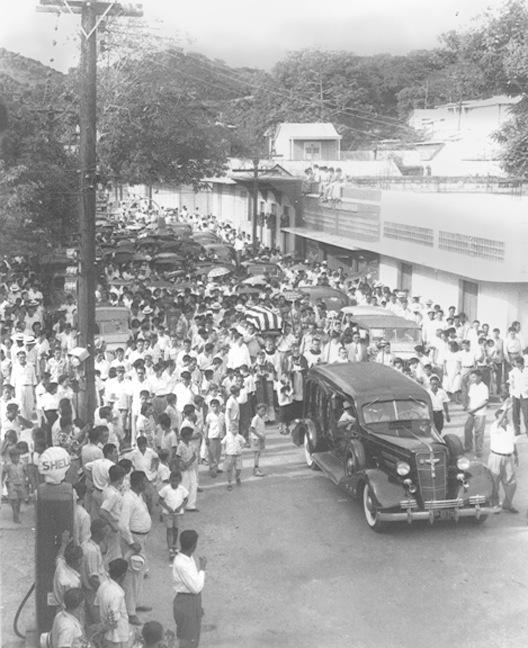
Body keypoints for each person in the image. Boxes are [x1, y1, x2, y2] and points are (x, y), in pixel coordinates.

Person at [119, 470, 152, 625]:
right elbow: (122, 525)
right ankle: (130, 612)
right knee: (131, 575)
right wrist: (132, 542)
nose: (147, 484)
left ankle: (138, 603)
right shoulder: (128, 499)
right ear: (139, 482)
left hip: (142, 538)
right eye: (145, 481)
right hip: (133, 540)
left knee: (139, 571)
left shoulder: (138, 496)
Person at [172, 529, 206, 648]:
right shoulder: (181, 564)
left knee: (194, 635)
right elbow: (196, 587)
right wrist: (202, 569)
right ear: (194, 545)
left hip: (192, 601)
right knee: (188, 639)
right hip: (186, 602)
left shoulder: (188, 557)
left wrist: (197, 606)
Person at [488, 405, 518, 513]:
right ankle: (495, 504)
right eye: (503, 417)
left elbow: (513, 443)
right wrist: (506, 408)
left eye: (506, 417)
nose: (506, 418)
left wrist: (516, 455)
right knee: (494, 482)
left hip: (508, 457)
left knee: (511, 482)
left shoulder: (510, 428)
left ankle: (507, 504)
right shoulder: (495, 427)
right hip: (496, 457)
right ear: (498, 418)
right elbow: (500, 420)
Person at [95, 557, 130, 648]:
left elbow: (96, 605)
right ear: (123, 575)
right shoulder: (117, 594)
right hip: (117, 636)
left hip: (107, 634)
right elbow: (113, 621)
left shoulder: (103, 586)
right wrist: (100, 632)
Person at [81, 518, 109, 623]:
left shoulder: (89, 544)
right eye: (105, 531)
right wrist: (104, 595)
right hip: (93, 594)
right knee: (98, 622)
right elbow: (93, 579)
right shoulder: (91, 550)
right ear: (98, 532)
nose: (106, 534)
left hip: (94, 591)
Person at [158, 469, 188, 561]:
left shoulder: (182, 489)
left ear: (180, 481)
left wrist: (180, 507)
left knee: (176, 530)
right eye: (173, 480)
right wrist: (167, 508)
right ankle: (170, 548)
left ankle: (175, 545)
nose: (174, 483)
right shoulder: (166, 489)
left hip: (178, 514)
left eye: (177, 481)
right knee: (169, 530)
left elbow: (186, 499)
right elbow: (160, 499)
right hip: (168, 514)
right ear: (170, 480)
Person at [99, 464, 126, 563]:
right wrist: (113, 524)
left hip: (111, 525)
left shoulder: (107, 489)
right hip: (114, 525)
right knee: (113, 553)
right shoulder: (113, 494)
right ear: (120, 479)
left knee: (113, 551)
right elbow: (102, 511)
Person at [53, 530, 82, 609]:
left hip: (58, 608)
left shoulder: (60, 565)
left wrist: (64, 543)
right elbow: (74, 604)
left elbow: (60, 555)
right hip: (68, 611)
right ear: (78, 560)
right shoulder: (74, 582)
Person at [464, 370, 489, 458]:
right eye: (471, 377)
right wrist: (469, 407)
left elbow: (485, 401)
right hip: (471, 411)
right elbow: (470, 398)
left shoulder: (484, 387)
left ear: (480, 377)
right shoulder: (472, 386)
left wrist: (475, 409)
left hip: (480, 412)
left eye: (474, 377)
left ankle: (479, 450)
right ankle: (468, 447)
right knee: (467, 429)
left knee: (478, 432)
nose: (472, 378)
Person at [175, 427, 198, 512]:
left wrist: (189, 462)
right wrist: (183, 464)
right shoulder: (180, 445)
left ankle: (191, 505)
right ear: (185, 436)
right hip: (184, 469)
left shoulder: (192, 445)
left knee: (193, 485)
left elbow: (194, 456)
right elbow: (178, 457)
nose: (191, 436)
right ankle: (181, 504)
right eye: (190, 435)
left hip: (191, 468)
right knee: (184, 486)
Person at [222, 419, 246, 491]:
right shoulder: (227, 436)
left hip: (238, 455)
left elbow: (243, 442)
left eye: (236, 429)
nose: (234, 430)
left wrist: (242, 446)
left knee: (239, 468)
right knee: (229, 469)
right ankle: (229, 483)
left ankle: (237, 476)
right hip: (230, 455)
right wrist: (225, 450)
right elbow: (223, 443)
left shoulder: (239, 436)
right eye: (233, 429)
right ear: (230, 429)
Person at [3, 447, 26, 523]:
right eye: (14, 457)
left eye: (17, 456)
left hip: (21, 483)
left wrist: (27, 480)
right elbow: (4, 472)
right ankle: (15, 515)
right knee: (14, 499)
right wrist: (2, 481)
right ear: (11, 457)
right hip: (12, 483)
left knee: (19, 499)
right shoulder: (8, 465)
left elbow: (25, 471)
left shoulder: (22, 463)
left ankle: (17, 511)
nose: (16, 458)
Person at [204, 398, 224, 478]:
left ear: (219, 406)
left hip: (219, 436)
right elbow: (207, 427)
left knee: (218, 453)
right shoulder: (209, 416)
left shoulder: (222, 415)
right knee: (212, 453)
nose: (215, 408)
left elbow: (224, 426)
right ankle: (212, 468)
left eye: (216, 406)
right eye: (213, 406)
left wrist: (224, 435)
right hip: (211, 436)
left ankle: (216, 466)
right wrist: (206, 437)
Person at [249, 403, 266, 477]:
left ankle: (256, 468)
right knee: (256, 454)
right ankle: (256, 469)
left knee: (258, 454)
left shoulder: (262, 418)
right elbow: (252, 429)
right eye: (262, 411)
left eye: (264, 411)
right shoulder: (255, 418)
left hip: (260, 438)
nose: (263, 412)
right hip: (256, 439)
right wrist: (259, 436)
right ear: (257, 410)